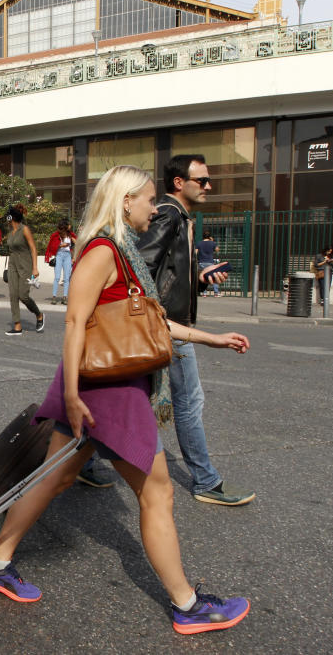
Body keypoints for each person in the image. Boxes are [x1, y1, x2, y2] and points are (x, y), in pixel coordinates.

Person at [0, 165, 252, 635]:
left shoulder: (126, 255)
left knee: (51, 481)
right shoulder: (103, 251)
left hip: (98, 387)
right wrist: (71, 396)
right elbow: (75, 323)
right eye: (147, 199)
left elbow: (147, 324)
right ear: (125, 202)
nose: (153, 206)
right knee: (157, 492)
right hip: (106, 392)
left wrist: (212, 338)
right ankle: (187, 605)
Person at [136, 155, 255, 506]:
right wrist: (158, 317)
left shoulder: (181, 217)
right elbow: (143, 269)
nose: (208, 186)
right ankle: (205, 481)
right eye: (201, 180)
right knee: (188, 402)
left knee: (134, 397)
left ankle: (89, 460)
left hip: (168, 324)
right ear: (179, 183)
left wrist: (200, 280)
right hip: (170, 328)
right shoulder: (171, 215)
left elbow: (166, 275)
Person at [3, 204, 43, 336]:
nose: (6, 219)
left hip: (25, 265)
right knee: (13, 295)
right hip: (12, 265)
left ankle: (39, 314)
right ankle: (17, 325)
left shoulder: (24, 229)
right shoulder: (11, 232)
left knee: (23, 295)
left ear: (11, 217)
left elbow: (33, 248)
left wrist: (35, 268)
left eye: (8, 216)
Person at [45, 218, 76, 305]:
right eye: (68, 224)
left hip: (68, 256)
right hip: (59, 255)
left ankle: (65, 297)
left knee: (67, 278)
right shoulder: (56, 235)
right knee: (57, 277)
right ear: (65, 226)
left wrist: (73, 257)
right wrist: (62, 245)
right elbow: (52, 247)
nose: (70, 226)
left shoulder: (71, 235)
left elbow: (77, 244)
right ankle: (54, 296)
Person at [196, 231, 221, 297]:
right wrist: (213, 241)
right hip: (210, 262)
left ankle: (204, 293)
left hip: (201, 262)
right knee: (213, 277)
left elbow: (195, 253)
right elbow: (217, 250)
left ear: (203, 236)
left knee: (203, 277)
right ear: (209, 237)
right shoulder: (212, 243)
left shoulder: (199, 243)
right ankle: (216, 293)